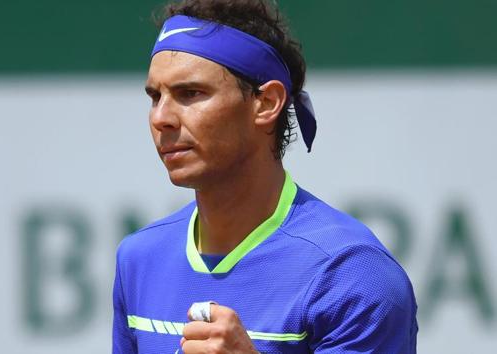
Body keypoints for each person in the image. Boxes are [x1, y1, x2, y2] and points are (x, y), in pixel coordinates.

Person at [112, 0, 418, 353]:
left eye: (190, 93)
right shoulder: (138, 260)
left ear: (267, 102)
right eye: (155, 96)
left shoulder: (354, 275)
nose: (160, 117)